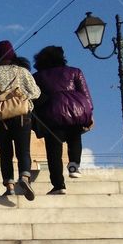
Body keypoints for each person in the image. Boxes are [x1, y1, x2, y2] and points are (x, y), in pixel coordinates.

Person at [0, 40, 41, 199]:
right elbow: (36, 92)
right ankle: (25, 177)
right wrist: (21, 96)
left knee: (5, 152)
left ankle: (9, 186)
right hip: (21, 115)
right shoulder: (21, 71)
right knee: (24, 149)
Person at [31, 45, 93, 195]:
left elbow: (34, 98)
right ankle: (74, 167)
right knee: (75, 139)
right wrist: (89, 114)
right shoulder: (75, 72)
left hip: (51, 115)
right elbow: (86, 95)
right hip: (75, 112)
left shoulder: (37, 77)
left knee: (53, 152)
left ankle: (59, 185)